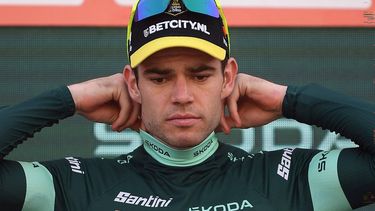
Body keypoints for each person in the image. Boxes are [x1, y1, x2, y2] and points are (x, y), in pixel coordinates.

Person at [0, 0, 374, 210]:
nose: (181, 95)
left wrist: (289, 99)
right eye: (159, 78)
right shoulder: (74, 186)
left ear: (228, 78)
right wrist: (71, 98)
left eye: (201, 75)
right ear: (132, 84)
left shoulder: (292, 179)